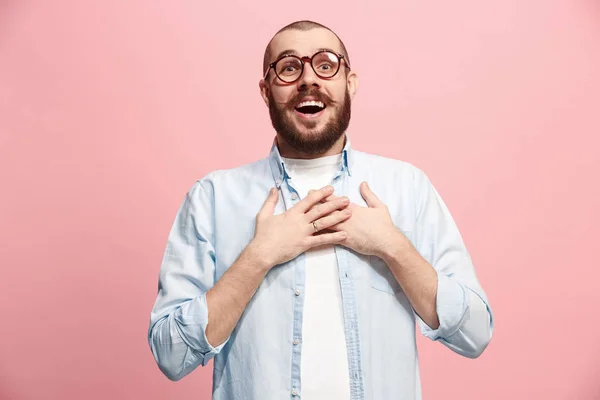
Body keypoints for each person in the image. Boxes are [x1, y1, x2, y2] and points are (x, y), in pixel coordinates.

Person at [148, 20, 494, 400]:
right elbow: (171, 354)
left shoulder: (407, 188)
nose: (308, 79)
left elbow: (473, 334)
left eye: (326, 64)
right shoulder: (212, 198)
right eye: (289, 67)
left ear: (350, 81)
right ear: (266, 91)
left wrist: (392, 246)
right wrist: (259, 256)